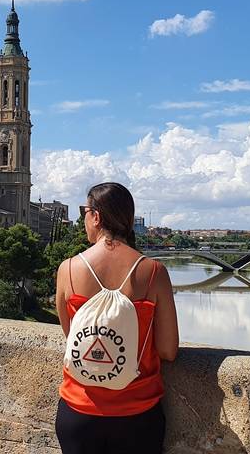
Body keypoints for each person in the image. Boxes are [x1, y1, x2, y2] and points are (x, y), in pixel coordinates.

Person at [55, 182, 179, 454]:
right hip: (137, 415)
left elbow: (71, 337)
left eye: (84, 212)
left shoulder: (68, 270)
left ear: (96, 216)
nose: (83, 219)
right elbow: (168, 351)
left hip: (79, 410)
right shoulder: (154, 272)